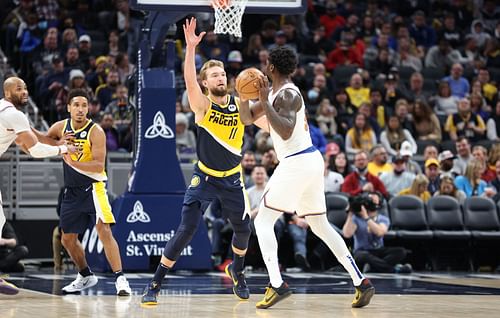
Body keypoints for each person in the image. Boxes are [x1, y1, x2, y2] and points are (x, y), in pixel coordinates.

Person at [239, 46, 374, 309]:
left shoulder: (287, 94)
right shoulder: (276, 94)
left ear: (271, 68)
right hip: (308, 161)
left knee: (263, 221)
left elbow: (287, 131)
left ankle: (277, 284)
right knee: (319, 225)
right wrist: (243, 94)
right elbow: (246, 119)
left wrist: (264, 101)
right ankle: (360, 281)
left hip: (296, 161)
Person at [141, 18, 252, 305]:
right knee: (186, 229)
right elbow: (189, 80)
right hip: (204, 176)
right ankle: (155, 283)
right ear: (205, 83)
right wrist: (190, 48)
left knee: (243, 230)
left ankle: (237, 272)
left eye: (223, 73)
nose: (220, 78)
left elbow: (265, 122)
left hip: (231, 177)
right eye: (214, 75)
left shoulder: (241, 106)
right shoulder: (202, 106)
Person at [37, 89, 132, 296]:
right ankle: (85, 275)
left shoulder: (95, 131)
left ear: (88, 109)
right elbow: (43, 141)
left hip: (94, 188)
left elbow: (98, 166)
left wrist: (73, 160)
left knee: (104, 230)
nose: (80, 109)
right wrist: (59, 144)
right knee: (67, 239)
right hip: (72, 191)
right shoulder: (61, 127)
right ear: (69, 107)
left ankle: (120, 278)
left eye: (84, 105)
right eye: (76, 105)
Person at [0, 76, 77, 295]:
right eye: (18, 89)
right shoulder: (13, 115)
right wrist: (63, 150)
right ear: (8, 93)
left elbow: (31, 137)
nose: (24, 91)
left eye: (25, 87)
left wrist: (57, 143)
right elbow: (33, 150)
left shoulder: (6, 112)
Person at [343, 192, 411, 274]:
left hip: (378, 250)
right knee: (361, 256)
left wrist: (366, 218)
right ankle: (394, 269)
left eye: (373, 200)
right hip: (362, 251)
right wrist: (351, 213)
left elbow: (380, 232)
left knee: (401, 251)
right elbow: (347, 234)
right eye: (369, 199)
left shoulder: (383, 219)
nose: (370, 201)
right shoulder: (356, 218)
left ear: (379, 204)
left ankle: (372, 267)